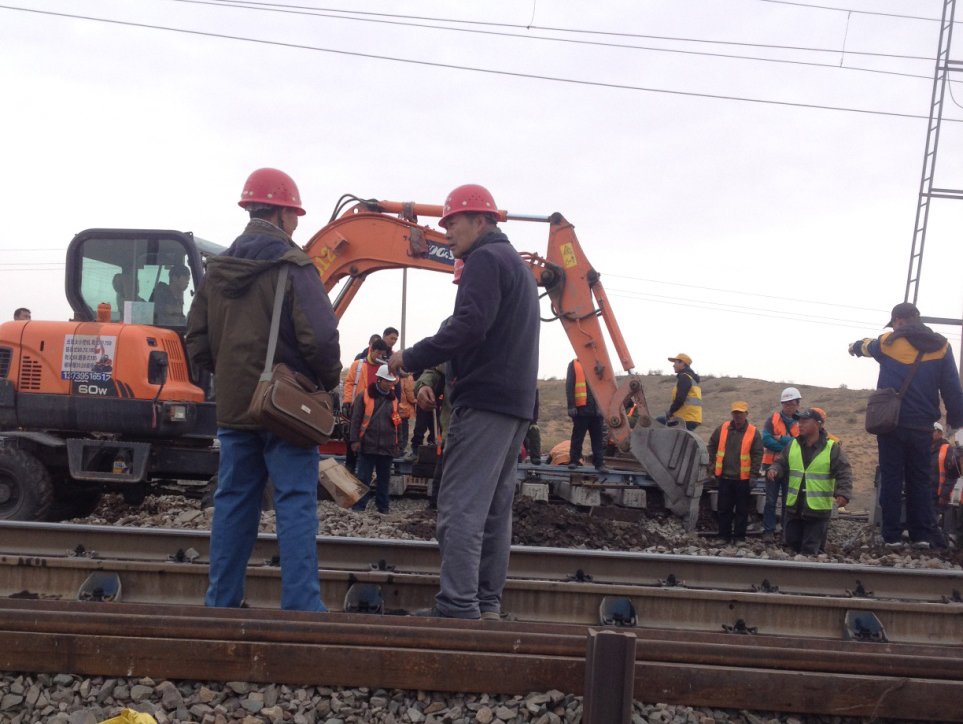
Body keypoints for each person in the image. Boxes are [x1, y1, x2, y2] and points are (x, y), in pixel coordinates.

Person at [186, 167, 341, 612]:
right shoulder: (293, 265)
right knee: (295, 501)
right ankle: (300, 609)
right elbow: (321, 338)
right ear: (281, 213)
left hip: (235, 406)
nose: (297, 223)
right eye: (294, 214)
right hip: (286, 408)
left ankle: (221, 603)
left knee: (234, 501)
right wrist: (323, 384)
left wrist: (231, 375)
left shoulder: (218, 269)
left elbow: (196, 338)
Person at [387, 183, 538, 620]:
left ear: (479, 220)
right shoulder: (515, 265)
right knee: (493, 512)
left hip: (486, 403)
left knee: (459, 509)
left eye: (451, 222)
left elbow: (470, 325)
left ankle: (456, 607)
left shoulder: (484, 260)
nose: (446, 232)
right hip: (514, 406)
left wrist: (410, 358)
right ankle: (485, 604)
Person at [849, 301, 963, 548]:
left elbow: (866, 346)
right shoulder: (942, 346)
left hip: (892, 424)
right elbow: (952, 387)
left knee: (891, 477)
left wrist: (854, 347)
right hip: (923, 427)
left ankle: (890, 536)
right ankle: (920, 535)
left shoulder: (889, 342)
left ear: (898, 321)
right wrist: (956, 420)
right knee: (919, 480)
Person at [766, 408, 852, 554]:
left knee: (810, 549)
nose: (799, 425)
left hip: (817, 510)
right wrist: (774, 469)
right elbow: (781, 462)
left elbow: (844, 471)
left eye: (804, 422)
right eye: (799, 421)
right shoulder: (792, 445)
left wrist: (843, 493)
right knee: (792, 541)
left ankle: (811, 568)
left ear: (817, 425)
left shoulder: (831, 448)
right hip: (794, 508)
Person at [707, 401, 763, 543]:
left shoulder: (753, 432)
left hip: (743, 479)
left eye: (741, 413)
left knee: (741, 511)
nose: (738, 416)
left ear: (746, 414)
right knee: (724, 510)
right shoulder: (723, 428)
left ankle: (739, 538)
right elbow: (711, 445)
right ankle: (723, 536)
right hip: (724, 477)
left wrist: (754, 475)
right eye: (735, 413)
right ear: (732, 414)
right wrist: (711, 463)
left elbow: (757, 454)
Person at [350, 364, 402, 514]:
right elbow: (356, 420)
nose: (389, 384)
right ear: (379, 380)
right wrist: (354, 441)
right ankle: (359, 508)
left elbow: (398, 424)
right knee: (363, 479)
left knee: (384, 481)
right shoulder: (364, 396)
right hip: (368, 445)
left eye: (391, 381)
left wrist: (399, 444)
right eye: (387, 381)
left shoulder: (394, 400)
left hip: (387, 447)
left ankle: (383, 509)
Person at [761, 387, 802, 543]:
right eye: (785, 404)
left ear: (798, 404)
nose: (788, 407)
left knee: (788, 502)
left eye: (791, 404)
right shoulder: (772, 419)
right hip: (771, 467)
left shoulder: (802, 421)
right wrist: (789, 447)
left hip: (791, 468)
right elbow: (766, 440)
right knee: (770, 501)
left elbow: (801, 442)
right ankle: (768, 531)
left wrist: (781, 440)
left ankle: (786, 533)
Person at [565, 359, 608, 473]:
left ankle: (599, 463)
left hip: (596, 411)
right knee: (578, 438)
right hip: (581, 410)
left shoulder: (600, 364)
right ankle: (574, 461)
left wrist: (602, 407)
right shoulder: (574, 364)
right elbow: (570, 385)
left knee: (597, 439)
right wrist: (571, 406)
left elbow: (605, 385)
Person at [657, 353, 702, 430]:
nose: (673, 365)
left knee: (658, 422)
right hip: (692, 418)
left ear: (682, 363)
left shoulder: (684, 377)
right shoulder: (691, 378)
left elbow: (680, 399)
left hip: (684, 418)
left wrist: (670, 411)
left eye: (675, 362)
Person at [524, 388, 542, 465]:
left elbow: (536, 405)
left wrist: (534, 421)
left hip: (529, 418)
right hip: (515, 416)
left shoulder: (534, 389)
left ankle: (535, 457)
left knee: (534, 432)